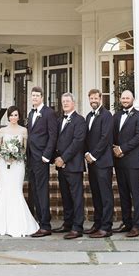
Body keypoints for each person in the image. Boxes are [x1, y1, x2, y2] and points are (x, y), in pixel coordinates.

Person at [0, 106, 39, 237]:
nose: (13, 117)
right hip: (4, 165)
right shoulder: (2, 130)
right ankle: (0, 223)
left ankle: (18, 224)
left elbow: (25, 150)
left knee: (16, 191)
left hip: (18, 165)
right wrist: (5, 156)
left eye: (16, 115)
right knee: (4, 190)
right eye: (11, 115)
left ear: (19, 117)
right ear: (8, 116)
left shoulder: (24, 130)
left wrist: (16, 156)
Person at [112, 90, 139, 237]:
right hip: (119, 160)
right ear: (120, 100)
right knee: (123, 193)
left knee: (135, 193)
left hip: (132, 160)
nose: (125, 100)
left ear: (133, 99)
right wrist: (114, 148)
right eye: (123, 98)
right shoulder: (116, 115)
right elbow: (112, 134)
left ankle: (137, 225)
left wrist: (122, 148)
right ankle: (126, 222)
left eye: (128, 98)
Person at [53, 93, 87, 239]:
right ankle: (68, 223)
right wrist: (56, 158)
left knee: (76, 197)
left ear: (74, 103)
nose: (65, 103)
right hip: (61, 165)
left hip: (73, 165)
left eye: (68, 101)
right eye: (63, 101)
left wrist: (64, 158)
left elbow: (77, 142)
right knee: (65, 196)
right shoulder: (60, 120)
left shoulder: (80, 120)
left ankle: (77, 227)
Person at [26, 86, 58, 237]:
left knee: (42, 190)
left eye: (37, 95)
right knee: (34, 190)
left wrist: (47, 155)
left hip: (41, 158)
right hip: (31, 157)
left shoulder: (49, 113)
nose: (35, 98)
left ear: (42, 97)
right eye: (33, 95)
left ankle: (46, 225)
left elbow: (53, 135)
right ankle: (38, 222)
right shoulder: (31, 113)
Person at [84, 88, 114, 238]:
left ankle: (106, 227)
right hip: (92, 163)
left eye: (96, 98)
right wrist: (86, 154)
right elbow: (86, 138)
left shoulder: (107, 115)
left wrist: (93, 155)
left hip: (103, 162)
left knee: (105, 195)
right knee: (95, 194)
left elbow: (105, 138)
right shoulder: (89, 116)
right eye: (91, 98)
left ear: (100, 98)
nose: (93, 101)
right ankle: (97, 223)